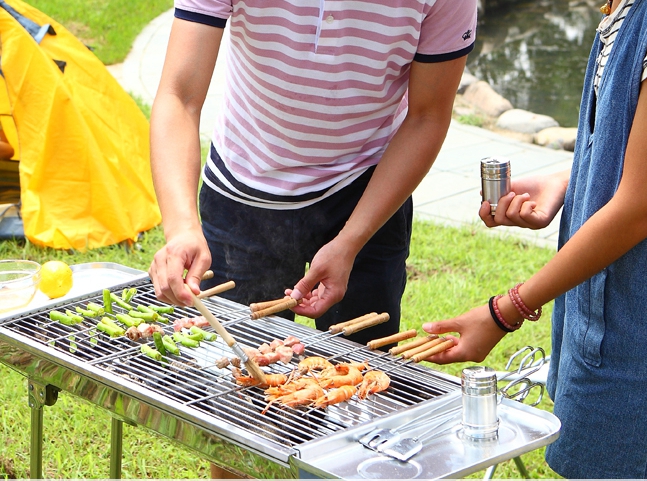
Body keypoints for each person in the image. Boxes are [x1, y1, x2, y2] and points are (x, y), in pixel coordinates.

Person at [423, 0, 647, 478]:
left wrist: (506, 310)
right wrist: (569, 180)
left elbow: (642, 207)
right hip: (617, 329)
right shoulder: (633, 9)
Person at [147, 0, 476, 346]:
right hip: (244, 183)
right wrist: (181, 227)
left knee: (360, 373)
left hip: (367, 188)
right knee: (233, 364)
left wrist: (350, 242)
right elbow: (179, 96)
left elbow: (428, 116)